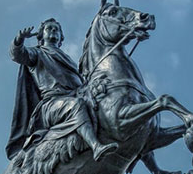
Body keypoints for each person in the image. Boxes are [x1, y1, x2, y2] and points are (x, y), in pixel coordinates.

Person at [6, 18, 118, 162]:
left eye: (56, 29)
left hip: (77, 95)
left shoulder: (68, 59)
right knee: (76, 106)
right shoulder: (37, 53)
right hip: (52, 104)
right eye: (49, 29)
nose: (53, 31)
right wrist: (19, 39)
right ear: (41, 36)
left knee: (109, 103)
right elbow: (17, 54)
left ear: (60, 37)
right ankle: (96, 146)